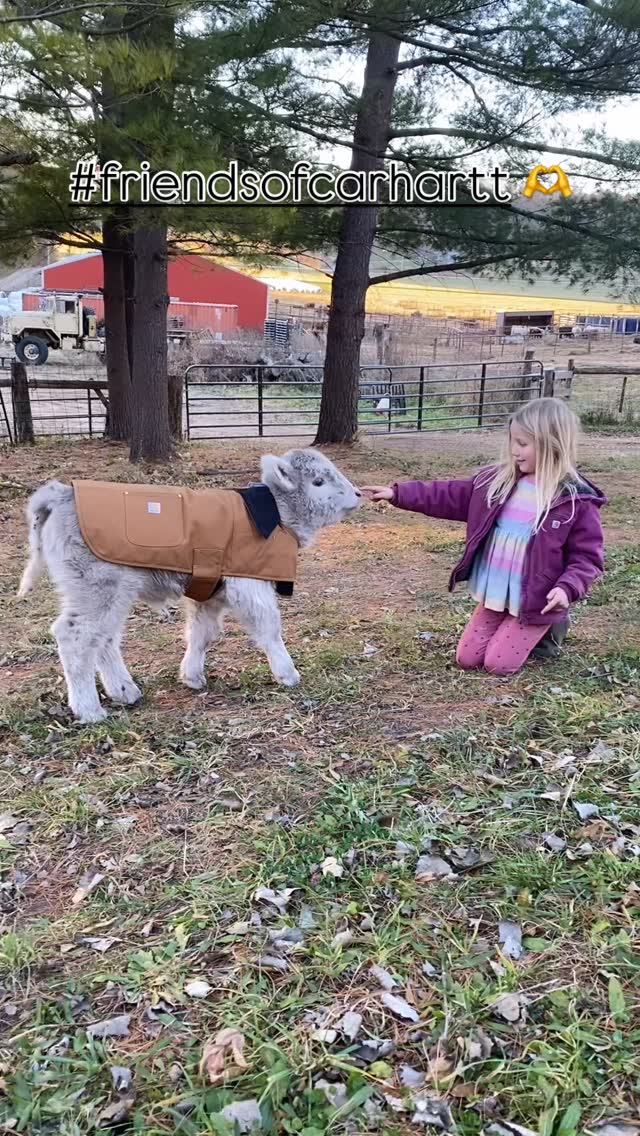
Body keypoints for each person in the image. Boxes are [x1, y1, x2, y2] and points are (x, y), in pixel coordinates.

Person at [361, 398, 606, 676]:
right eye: (513, 441)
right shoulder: (497, 482)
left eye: (523, 444)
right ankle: (509, 620)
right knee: (467, 659)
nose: (514, 451)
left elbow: (587, 557)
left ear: (552, 443)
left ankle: (550, 625)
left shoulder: (576, 500)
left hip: (536, 600)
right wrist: (398, 494)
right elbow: (448, 495)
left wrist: (567, 588)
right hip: (499, 591)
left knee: (498, 665)